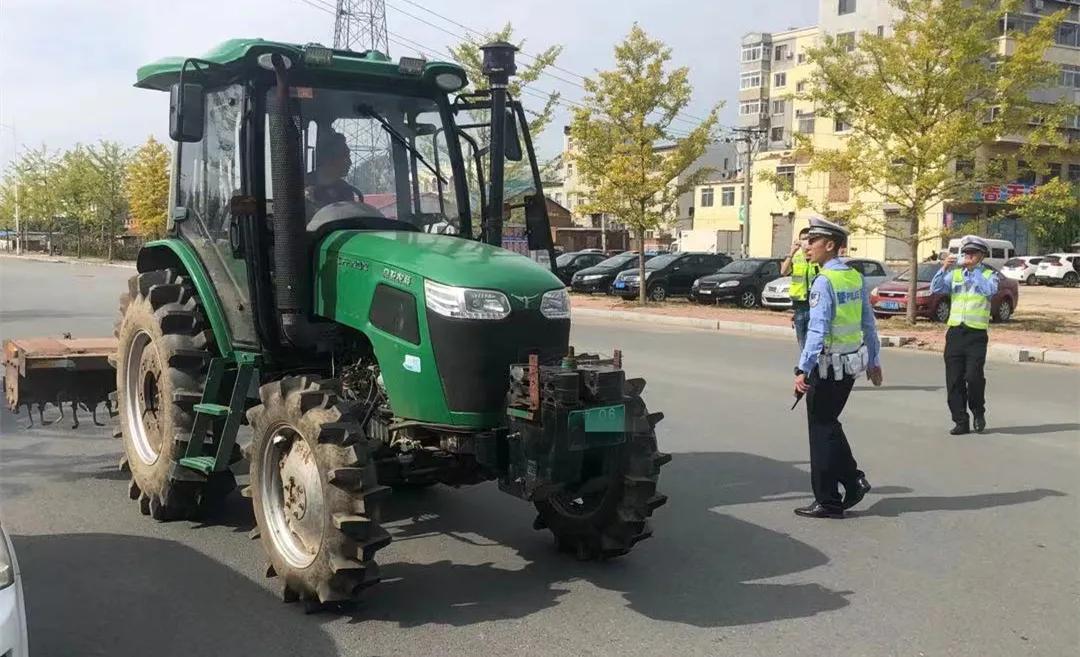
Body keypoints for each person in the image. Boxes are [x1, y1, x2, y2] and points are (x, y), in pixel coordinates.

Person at [793, 217, 882, 519]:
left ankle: (830, 500)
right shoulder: (855, 278)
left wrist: (801, 369)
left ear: (830, 245)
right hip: (849, 367)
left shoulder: (824, 281)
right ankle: (852, 480)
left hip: (826, 368)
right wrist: (874, 361)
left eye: (813, 241)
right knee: (829, 425)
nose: (807, 247)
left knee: (821, 431)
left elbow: (817, 331)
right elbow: (868, 323)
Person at [929, 235, 998, 435]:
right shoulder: (956, 274)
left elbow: (988, 291)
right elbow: (936, 288)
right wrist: (944, 268)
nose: (968, 256)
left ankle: (978, 411)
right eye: (966, 253)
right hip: (956, 333)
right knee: (954, 380)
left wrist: (974, 271)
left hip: (976, 334)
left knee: (974, 377)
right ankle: (960, 420)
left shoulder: (988, 275)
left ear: (981, 256)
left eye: (972, 254)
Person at [305, 130, 364, 211]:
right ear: (330, 158)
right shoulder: (302, 184)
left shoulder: (345, 190)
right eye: (345, 157)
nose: (350, 162)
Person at [781, 227, 819, 348]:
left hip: (816, 306)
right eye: (804, 239)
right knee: (802, 342)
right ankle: (806, 365)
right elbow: (783, 271)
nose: (806, 242)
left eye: (809, 239)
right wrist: (791, 253)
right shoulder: (796, 257)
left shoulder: (818, 257)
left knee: (814, 343)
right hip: (800, 306)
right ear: (799, 241)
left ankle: (812, 365)